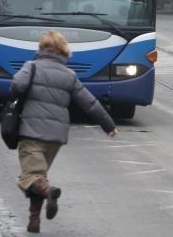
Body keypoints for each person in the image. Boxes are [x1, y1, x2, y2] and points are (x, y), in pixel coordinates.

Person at [10, 30, 118, 234]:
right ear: (63, 52)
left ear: (42, 48)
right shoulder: (69, 75)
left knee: (30, 176)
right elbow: (89, 103)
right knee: (38, 176)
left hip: (32, 132)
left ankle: (50, 192)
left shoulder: (32, 66)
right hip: (56, 138)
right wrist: (108, 125)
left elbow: (16, 85)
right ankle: (34, 222)